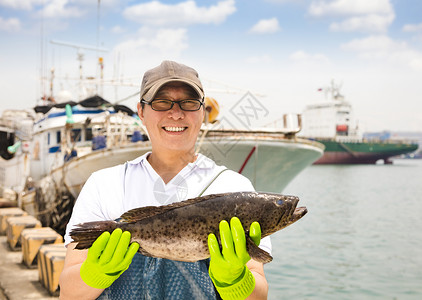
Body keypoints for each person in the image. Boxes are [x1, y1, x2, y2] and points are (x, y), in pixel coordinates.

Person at [59, 60, 271, 299]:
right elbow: (68, 294)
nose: (176, 113)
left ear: (203, 112)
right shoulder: (103, 184)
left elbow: (258, 294)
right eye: (162, 102)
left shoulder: (235, 187)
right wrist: (95, 273)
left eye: (189, 103)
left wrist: (234, 280)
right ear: (141, 110)